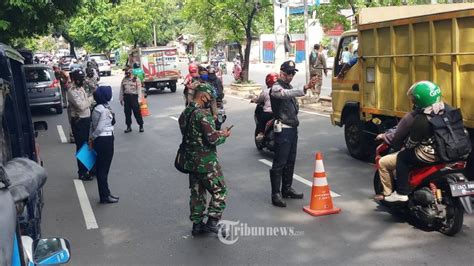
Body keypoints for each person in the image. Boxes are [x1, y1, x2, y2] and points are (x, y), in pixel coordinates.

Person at [178, 83, 231, 236]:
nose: (211, 102)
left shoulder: (186, 112)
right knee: (220, 190)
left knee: (197, 193)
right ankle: (213, 222)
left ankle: (197, 225)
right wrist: (223, 134)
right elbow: (213, 139)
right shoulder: (202, 114)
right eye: (210, 99)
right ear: (203, 96)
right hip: (206, 162)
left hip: (191, 161)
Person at [385, 81, 444, 202]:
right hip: (450, 150)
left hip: (431, 154)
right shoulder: (447, 109)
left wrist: (403, 148)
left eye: (414, 100)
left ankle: (401, 192)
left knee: (402, 157)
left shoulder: (422, 118)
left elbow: (412, 143)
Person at [269, 60, 313, 207]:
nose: (291, 76)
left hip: (293, 128)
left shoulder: (289, 86)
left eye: (293, 73)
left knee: (290, 160)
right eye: (289, 73)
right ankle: (275, 194)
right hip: (283, 129)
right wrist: (305, 87)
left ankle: (286, 188)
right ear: (281, 73)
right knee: (280, 162)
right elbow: (286, 94)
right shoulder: (276, 88)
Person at [373, 110, 417, 201]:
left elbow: (396, 136)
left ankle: (390, 193)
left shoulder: (414, 117)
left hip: (421, 153)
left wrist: (385, 136)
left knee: (384, 162)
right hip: (444, 154)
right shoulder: (443, 111)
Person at [89, 86, 119, 204]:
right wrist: (93, 137)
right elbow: (100, 128)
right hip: (104, 140)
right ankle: (104, 196)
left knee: (102, 169)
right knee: (103, 170)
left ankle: (106, 193)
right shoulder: (103, 110)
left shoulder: (99, 107)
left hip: (102, 140)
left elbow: (93, 126)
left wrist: (92, 138)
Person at [68, 69, 93, 181]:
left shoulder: (81, 88)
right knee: (82, 146)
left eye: (82, 78)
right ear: (74, 79)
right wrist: (91, 99)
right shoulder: (72, 91)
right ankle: (82, 172)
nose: (82, 80)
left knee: (87, 145)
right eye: (80, 79)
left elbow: (85, 102)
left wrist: (88, 101)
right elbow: (81, 106)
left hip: (86, 119)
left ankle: (89, 168)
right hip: (79, 122)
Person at [251, 72, 279, 141]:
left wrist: (254, 100)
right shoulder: (281, 90)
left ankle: (261, 134)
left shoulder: (266, 91)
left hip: (269, 113)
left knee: (261, 121)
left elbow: (259, 99)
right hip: (279, 113)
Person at [120, 67, 144, 133]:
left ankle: (141, 125)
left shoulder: (136, 79)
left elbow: (139, 90)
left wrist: (139, 100)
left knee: (137, 112)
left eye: (127, 72)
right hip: (126, 97)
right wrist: (121, 99)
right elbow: (121, 90)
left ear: (131, 72)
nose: (126, 73)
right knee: (127, 113)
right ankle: (128, 127)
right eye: (125, 72)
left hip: (134, 97)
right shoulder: (124, 79)